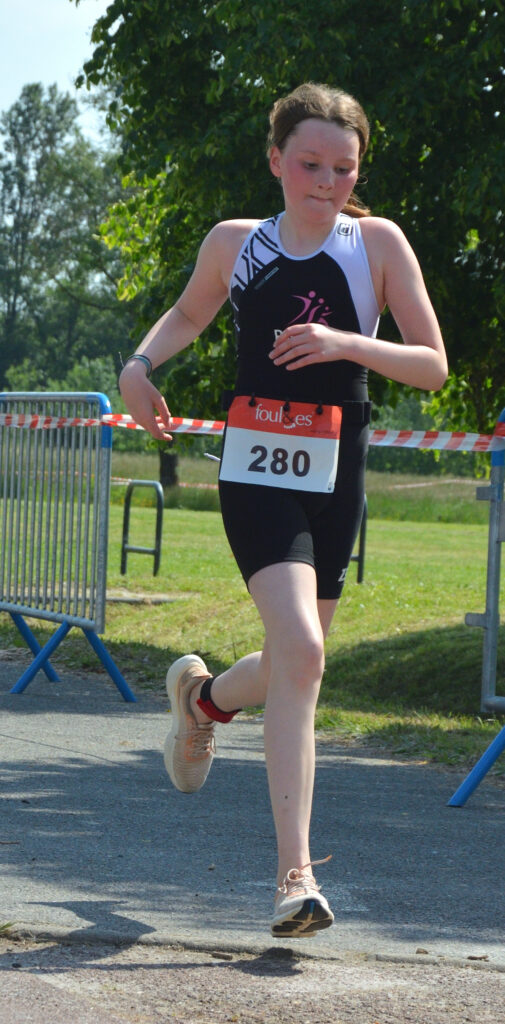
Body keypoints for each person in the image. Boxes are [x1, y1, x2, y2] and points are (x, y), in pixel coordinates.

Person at [119, 82, 448, 939]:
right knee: (301, 649)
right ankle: (293, 877)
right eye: (309, 165)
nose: (326, 182)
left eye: (343, 168)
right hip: (257, 468)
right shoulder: (236, 244)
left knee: (294, 660)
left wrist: (344, 343)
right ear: (274, 160)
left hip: (336, 472)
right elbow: (187, 313)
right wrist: (138, 366)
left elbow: (431, 365)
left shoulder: (376, 244)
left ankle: (203, 701)